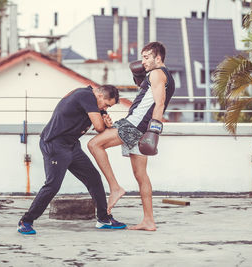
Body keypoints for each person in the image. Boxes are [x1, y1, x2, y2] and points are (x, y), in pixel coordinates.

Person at [87, 42, 175, 231]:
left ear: (158, 58)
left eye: (146, 57)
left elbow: (159, 104)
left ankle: (115, 188)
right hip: (140, 127)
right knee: (141, 176)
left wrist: (154, 131)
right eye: (142, 57)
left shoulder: (157, 73)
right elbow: (149, 97)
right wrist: (139, 76)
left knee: (94, 144)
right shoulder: (166, 77)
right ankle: (148, 221)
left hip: (135, 125)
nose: (143, 61)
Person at [17, 85, 127, 235]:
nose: (106, 109)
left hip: (72, 145)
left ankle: (104, 219)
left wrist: (104, 121)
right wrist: (104, 123)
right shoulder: (86, 96)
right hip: (55, 144)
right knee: (53, 185)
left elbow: (102, 126)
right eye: (107, 105)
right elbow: (99, 126)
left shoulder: (94, 102)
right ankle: (26, 221)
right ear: (100, 96)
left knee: (93, 178)